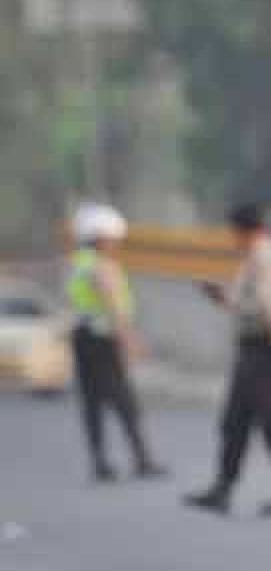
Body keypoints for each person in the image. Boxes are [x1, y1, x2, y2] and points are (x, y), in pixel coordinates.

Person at [184, 204, 271, 517]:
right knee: (235, 419)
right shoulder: (254, 255)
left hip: (267, 346)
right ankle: (223, 487)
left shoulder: (266, 254)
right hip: (253, 347)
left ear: (242, 229)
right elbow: (246, 301)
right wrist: (220, 296)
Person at [64, 202, 167, 483]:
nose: (116, 242)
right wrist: (128, 341)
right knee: (124, 400)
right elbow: (112, 307)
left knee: (92, 401)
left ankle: (100, 462)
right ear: (100, 237)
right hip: (103, 338)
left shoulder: (78, 262)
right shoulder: (101, 265)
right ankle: (142, 459)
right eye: (112, 237)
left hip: (83, 336)